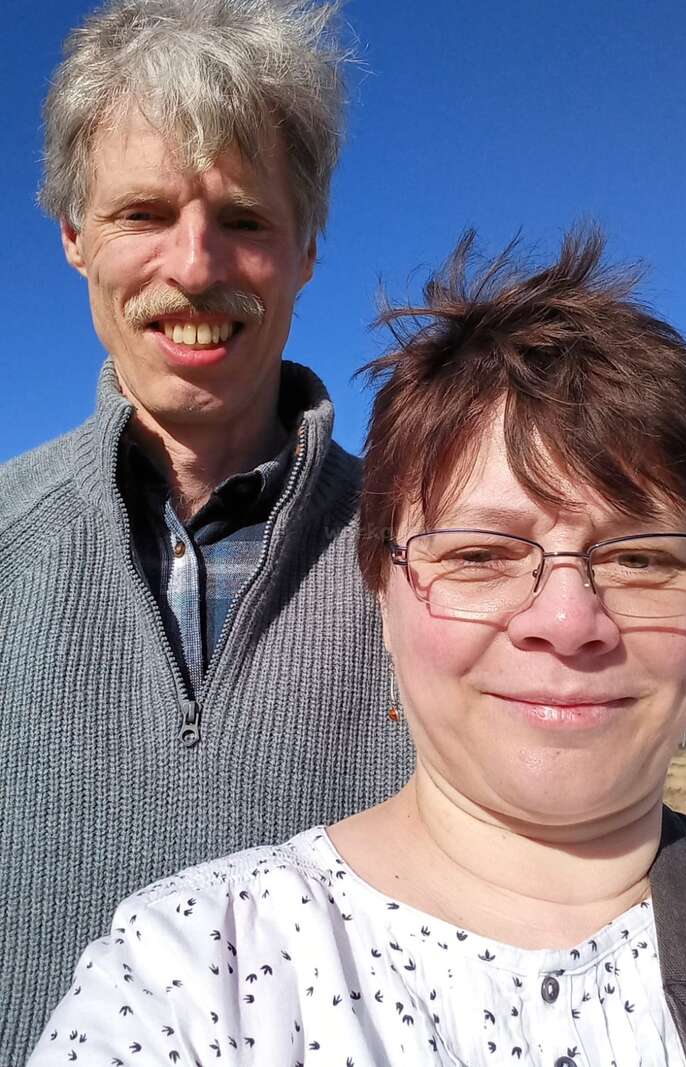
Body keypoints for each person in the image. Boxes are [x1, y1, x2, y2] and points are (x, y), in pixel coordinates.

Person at [29, 228, 686, 1065]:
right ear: (381, 593)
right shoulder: (189, 975)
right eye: (479, 554)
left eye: (642, 556)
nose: (571, 621)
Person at [0, 2, 414, 1062]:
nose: (194, 264)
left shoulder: (433, 562)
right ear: (72, 235)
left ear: (307, 248)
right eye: (143, 212)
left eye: (242, 218)